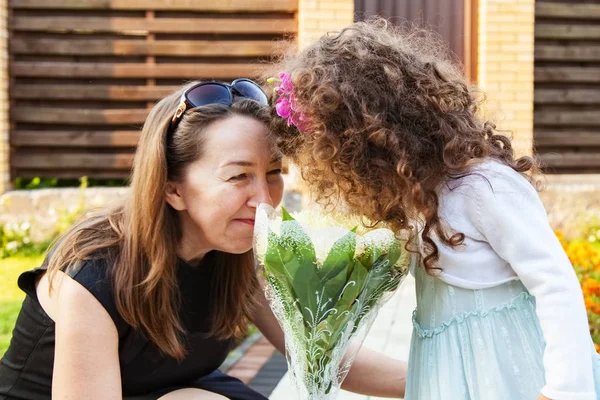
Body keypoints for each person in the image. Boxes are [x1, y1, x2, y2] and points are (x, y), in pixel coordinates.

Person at [0, 79, 407, 400]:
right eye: (237, 176)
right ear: (172, 188)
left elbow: (322, 356)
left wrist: (445, 382)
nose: (264, 200)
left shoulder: (244, 253)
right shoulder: (92, 276)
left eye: (272, 172)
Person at [268, 20, 600, 400]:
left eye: (338, 153)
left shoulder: (482, 188)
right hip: (446, 373)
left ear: (376, 138)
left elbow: (554, 283)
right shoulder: (414, 199)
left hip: (512, 372)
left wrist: (564, 390)